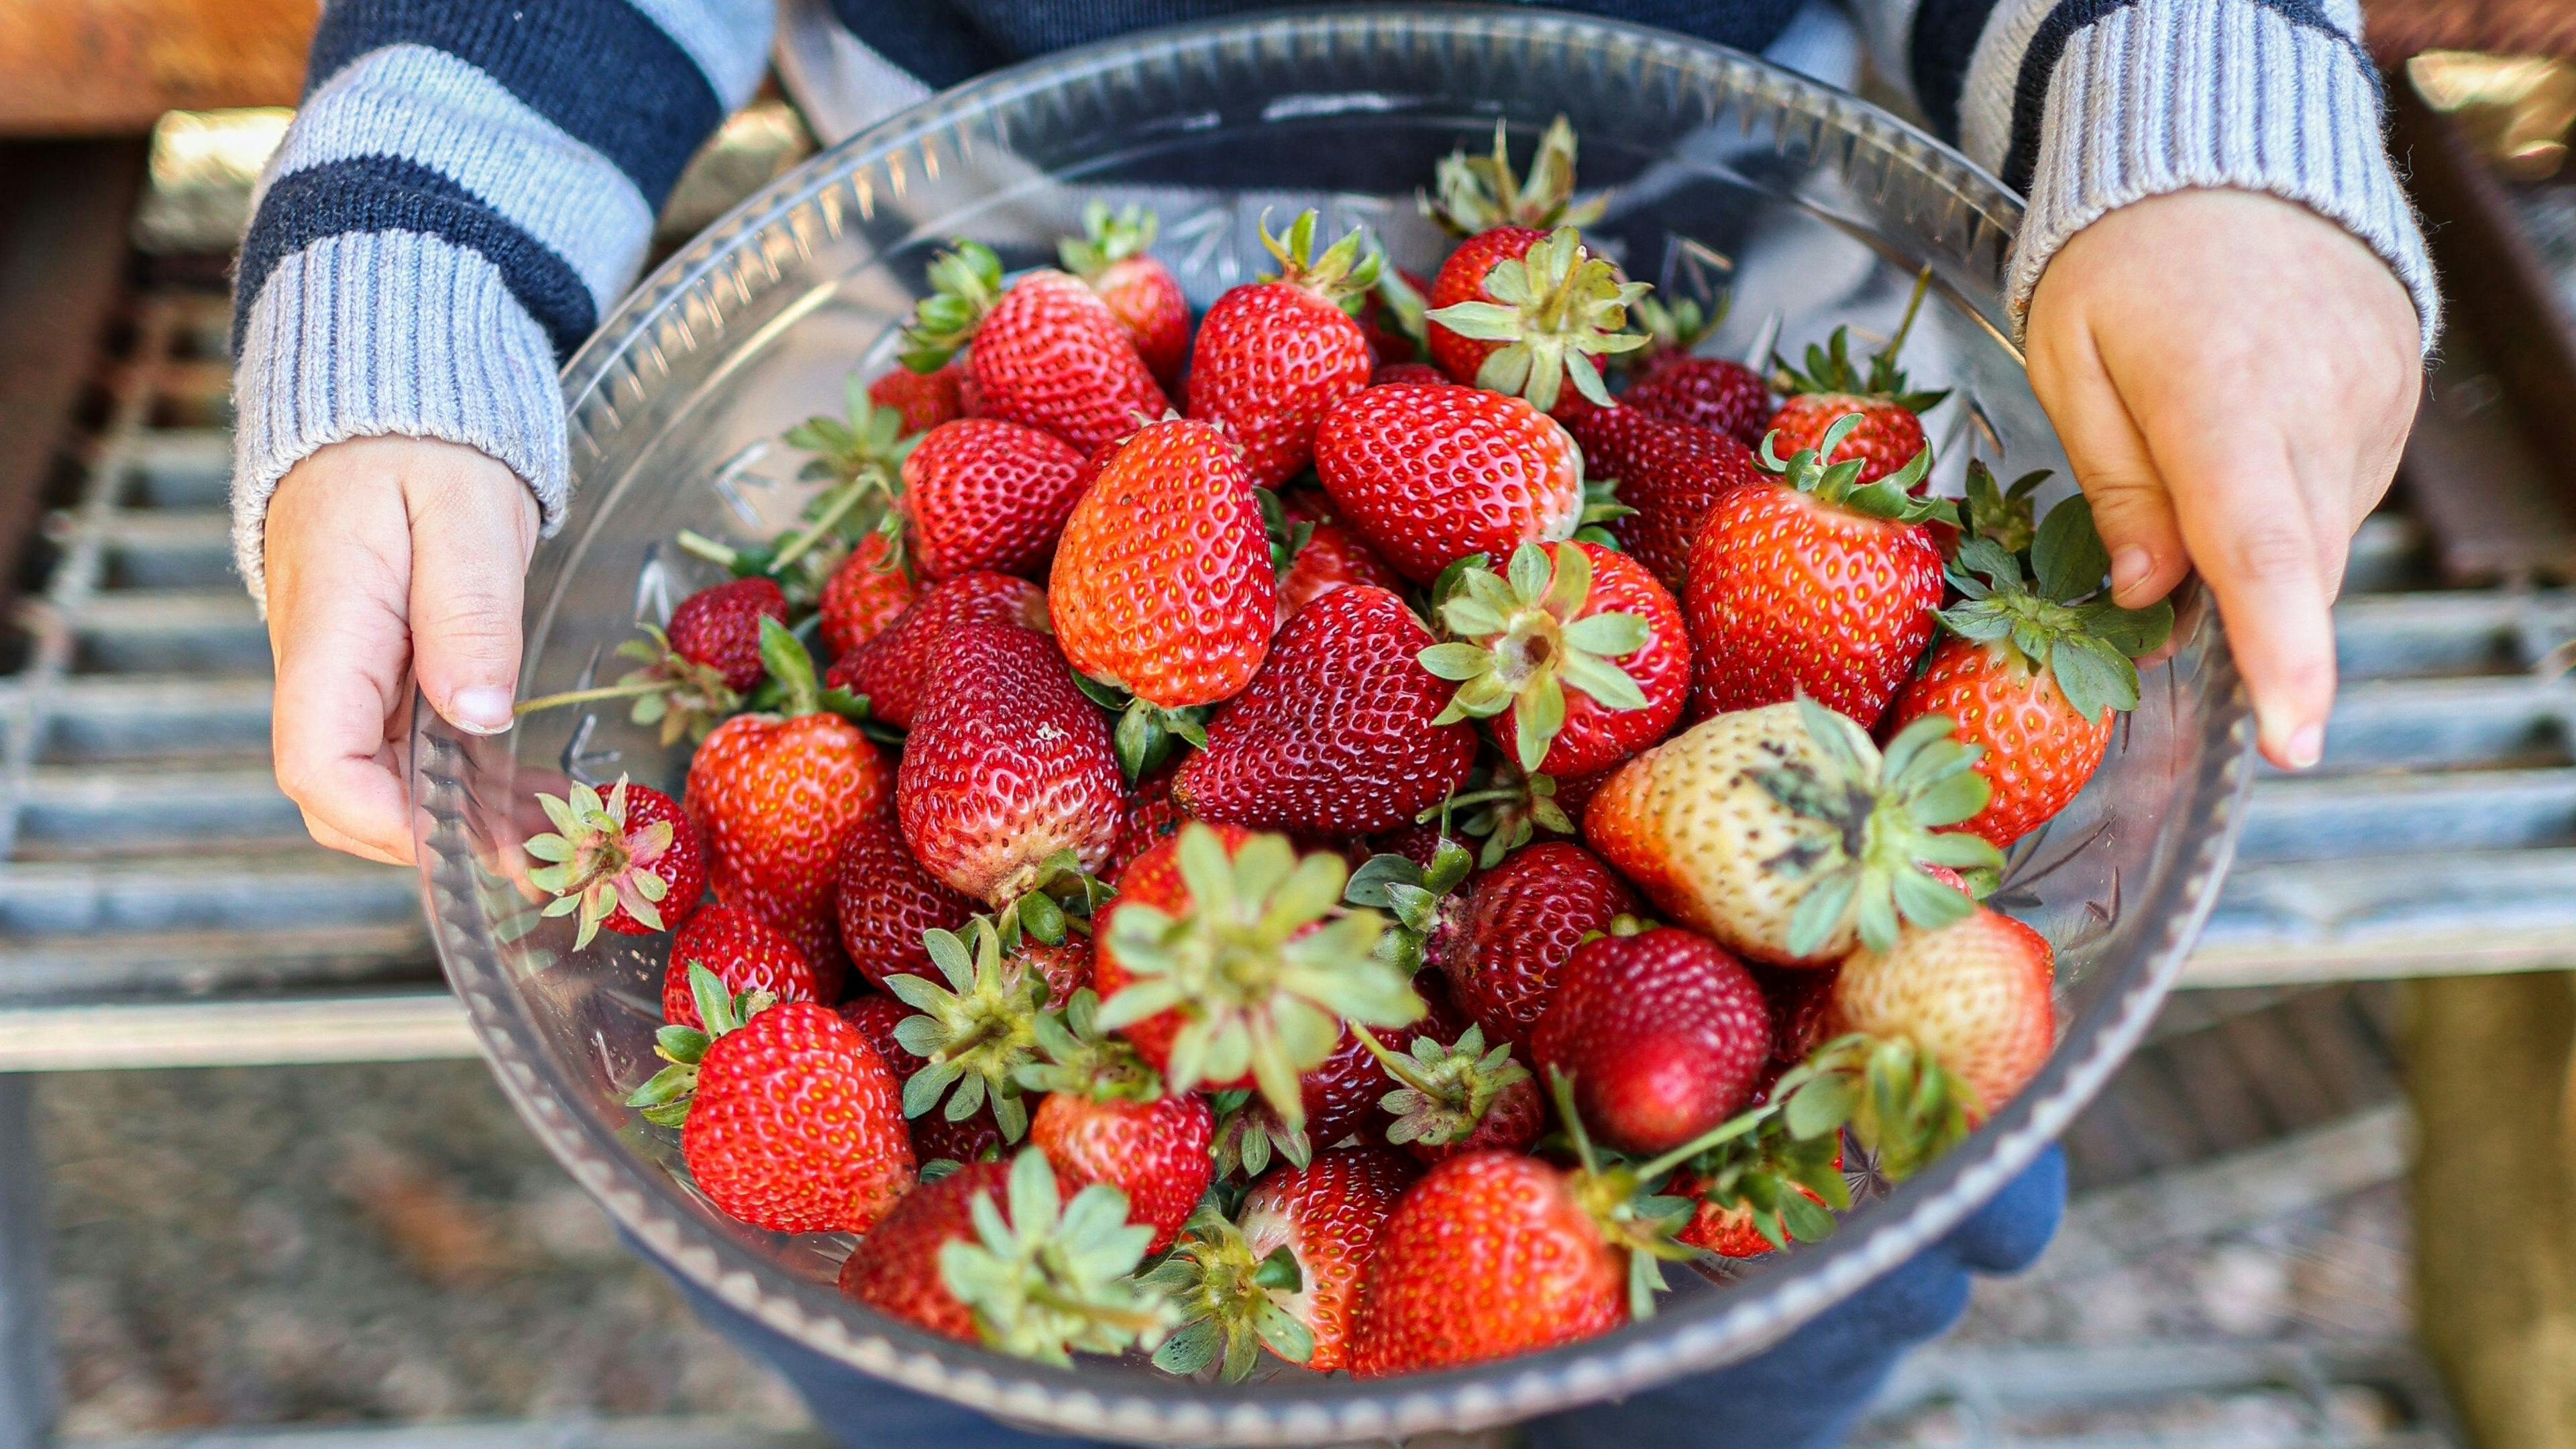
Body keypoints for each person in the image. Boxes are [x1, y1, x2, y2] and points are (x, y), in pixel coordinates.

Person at [233, 3, 2429, 1445]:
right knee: (974, 1345)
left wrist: (2198, 128)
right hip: (1017, 352)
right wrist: (410, 313)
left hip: (1708, 395)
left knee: (1756, 1259)